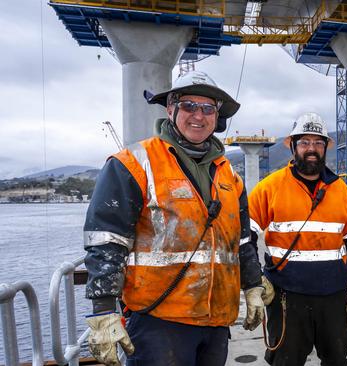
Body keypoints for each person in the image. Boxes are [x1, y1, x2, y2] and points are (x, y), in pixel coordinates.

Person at [83, 70, 270, 366]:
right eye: (189, 106)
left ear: (217, 117)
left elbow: (243, 241)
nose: (199, 115)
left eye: (208, 108)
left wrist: (254, 286)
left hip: (216, 320)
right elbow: (107, 240)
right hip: (159, 322)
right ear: (171, 109)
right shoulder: (134, 164)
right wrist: (104, 311)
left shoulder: (230, 177)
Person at [247, 112, 347, 366]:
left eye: (318, 143)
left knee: (336, 359)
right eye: (304, 142)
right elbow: (243, 237)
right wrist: (255, 281)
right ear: (292, 146)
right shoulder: (270, 187)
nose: (311, 149)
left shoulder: (341, 191)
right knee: (286, 361)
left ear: (325, 148)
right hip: (286, 298)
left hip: (334, 297)